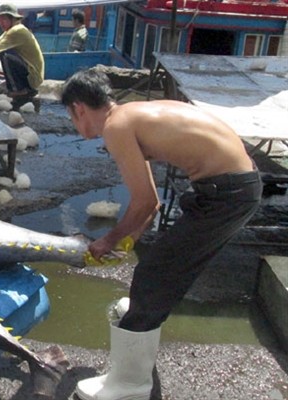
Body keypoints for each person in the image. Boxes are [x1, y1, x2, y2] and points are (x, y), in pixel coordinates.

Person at [61, 69, 261, 400]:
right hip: (234, 186)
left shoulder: (116, 126)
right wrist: (129, 241)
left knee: (153, 278)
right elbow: (151, 204)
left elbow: (143, 201)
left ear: (78, 108)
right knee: (157, 276)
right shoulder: (132, 112)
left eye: (72, 117)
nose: (75, 124)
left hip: (226, 193)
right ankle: (141, 330)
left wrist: (108, 239)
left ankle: (131, 385)